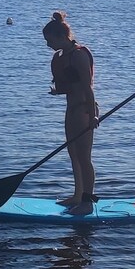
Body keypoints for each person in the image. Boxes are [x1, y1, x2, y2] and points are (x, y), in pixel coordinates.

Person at [43, 10, 98, 207]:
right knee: (73, 154)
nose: (47, 45)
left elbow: (88, 89)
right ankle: (77, 195)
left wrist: (93, 117)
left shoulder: (79, 55)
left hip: (84, 111)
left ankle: (87, 201)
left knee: (84, 158)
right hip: (71, 110)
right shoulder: (62, 56)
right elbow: (70, 86)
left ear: (61, 36)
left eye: (49, 40)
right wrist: (58, 92)